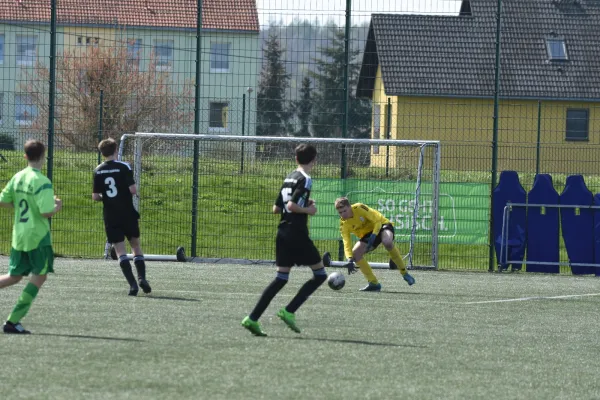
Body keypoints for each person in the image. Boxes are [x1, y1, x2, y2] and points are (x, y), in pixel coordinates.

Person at [242, 144, 327, 336]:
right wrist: (309, 210)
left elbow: (276, 209)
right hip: (297, 233)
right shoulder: (306, 179)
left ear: (296, 159)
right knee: (320, 275)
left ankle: (252, 318)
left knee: (281, 278)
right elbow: (291, 205)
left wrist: (303, 203)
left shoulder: (289, 177)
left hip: (282, 232)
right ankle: (289, 311)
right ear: (314, 160)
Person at [0, 140, 62, 334]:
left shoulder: (18, 177)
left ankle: (13, 321)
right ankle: (13, 321)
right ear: (44, 156)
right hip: (38, 237)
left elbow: (3, 200)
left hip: (19, 235)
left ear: (25, 156)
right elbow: (45, 212)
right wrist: (57, 206)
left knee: (15, 276)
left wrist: (19, 205)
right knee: (40, 276)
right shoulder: (42, 181)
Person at [93, 138, 151, 296]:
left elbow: (95, 197)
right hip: (127, 212)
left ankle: (132, 285)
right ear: (115, 149)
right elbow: (132, 190)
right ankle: (142, 278)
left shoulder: (98, 170)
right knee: (135, 246)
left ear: (102, 152)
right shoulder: (124, 166)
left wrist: (107, 197)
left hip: (110, 215)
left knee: (120, 250)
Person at [334, 197, 415, 292]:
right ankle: (374, 283)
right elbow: (346, 241)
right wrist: (349, 258)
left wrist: (374, 235)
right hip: (369, 234)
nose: (343, 215)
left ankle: (404, 272)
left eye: (344, 211)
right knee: (356, 254)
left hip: (382, 225)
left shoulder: (359, 208)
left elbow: (377, 221)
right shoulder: (344, 223)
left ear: (349, 206)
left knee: (387, 242)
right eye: (340, 212)